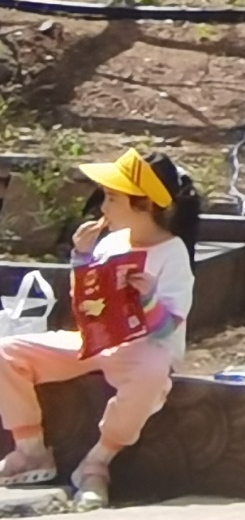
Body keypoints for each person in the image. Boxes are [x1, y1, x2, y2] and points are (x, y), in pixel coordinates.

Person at [0, 147, 200, 502]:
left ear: (144, 204)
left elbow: (167, 330)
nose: (103, 208)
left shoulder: (173, 253)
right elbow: (87, 304)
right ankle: (30, 450)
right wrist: (82, 258)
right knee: (7, 353)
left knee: (153, 372)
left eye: (112, 198)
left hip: (142, 351)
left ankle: (97, 464)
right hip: (96, 341)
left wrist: (149, 298)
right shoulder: (111, 243)